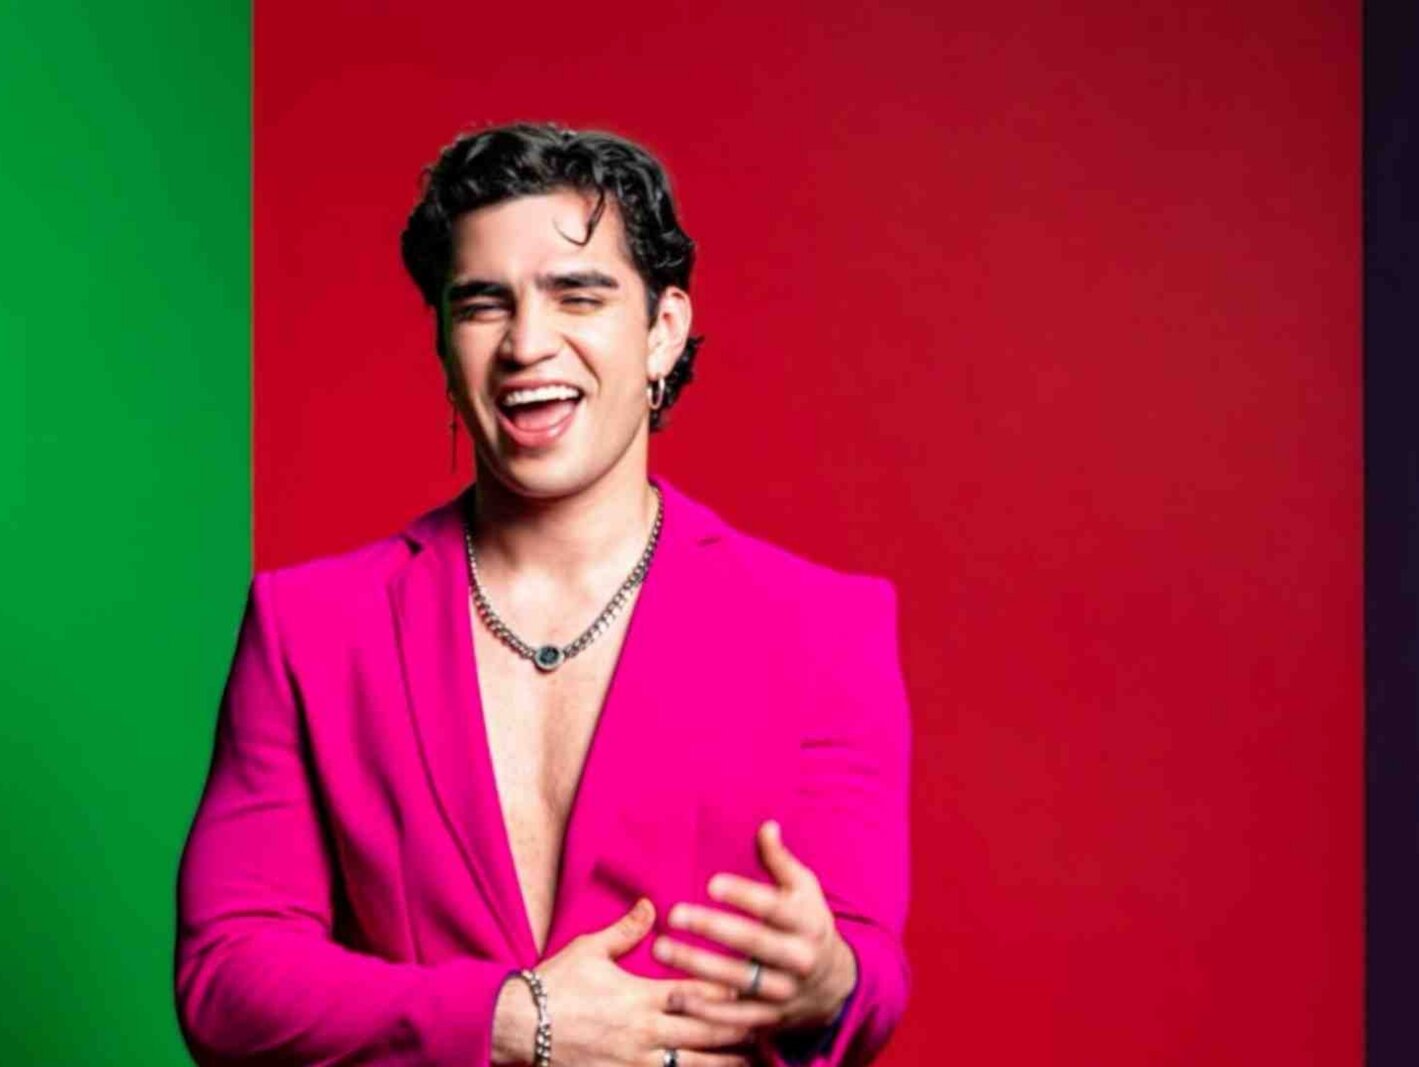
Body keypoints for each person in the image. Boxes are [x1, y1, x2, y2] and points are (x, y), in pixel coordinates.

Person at [174, 122, 911, 1067]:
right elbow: (225, 977)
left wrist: (830, 980)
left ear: (663, 331)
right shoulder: (309, 629)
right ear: (445, 341)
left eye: (578, 295)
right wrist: (508, 1020)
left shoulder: (823, 627)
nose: (527, 343)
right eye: (484, 304)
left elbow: (866, 968)